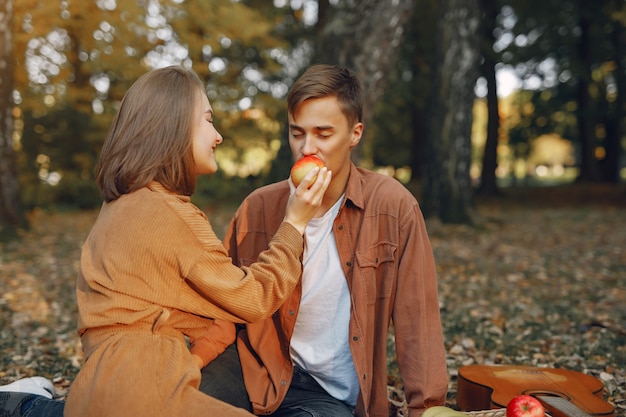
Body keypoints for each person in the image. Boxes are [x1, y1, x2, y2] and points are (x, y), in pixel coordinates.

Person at [0, 65, 331, 417]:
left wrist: (196, 357)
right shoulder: (171, 216)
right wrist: (294, 222)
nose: (217, 136)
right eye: (208, 120)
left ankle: (28, 406)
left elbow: (178, 312)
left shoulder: (119, 206)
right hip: (146, 388)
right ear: (173, 127)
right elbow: (254, 299)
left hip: (101, 381)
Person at [199, 64, 448, 417]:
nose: (307, 148)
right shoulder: (257, 208)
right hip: (256, 367)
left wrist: (427, 409)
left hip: (327, 394)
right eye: (297, 133)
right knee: (179, 403)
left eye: (323, 133)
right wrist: (190, 364)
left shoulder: (393, 207)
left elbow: (417, 316)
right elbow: (224, 309)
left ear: (355, 133)